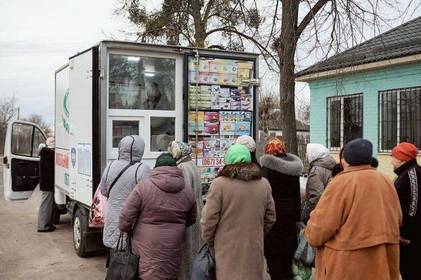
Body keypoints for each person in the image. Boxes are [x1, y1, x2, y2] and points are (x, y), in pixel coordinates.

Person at [305, 138, 402, 280]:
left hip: (348, 264)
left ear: (346, 159)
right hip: (381, 261)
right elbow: (397, 217)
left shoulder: (340, 182)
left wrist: (310, 233)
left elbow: (321, 228)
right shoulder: (385, 180)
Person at [201, 144, 276, 280]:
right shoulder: (264, 184)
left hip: (226, 250)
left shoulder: (219, 184)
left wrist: (213, 243)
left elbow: (208, 221)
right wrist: (257, 233)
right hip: (253, 248)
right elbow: (270, 217)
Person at [119, 153, 197, 279]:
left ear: (156, 168)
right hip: (173, 242)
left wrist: (125, 228)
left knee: (147, 273)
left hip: (146, 243)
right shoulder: (187, 190)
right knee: (169, 272)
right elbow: (192, 218)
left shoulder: (144, 186)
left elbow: (126, 216)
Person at [260, 138, 304, 279]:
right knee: (288, 252)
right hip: (289, 214)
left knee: (273, 254)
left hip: (272, 213)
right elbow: (297, 196)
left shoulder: (266, 169)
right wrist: (298, 219)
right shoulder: (293, 169)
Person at [100, 136, 151, 253]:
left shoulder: (110, 165)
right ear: (141, 150)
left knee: (114, 254)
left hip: (112, 215)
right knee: (129, 257)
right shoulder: (143, 169)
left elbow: (103, 191)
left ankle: (113, 271)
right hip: (132, 219)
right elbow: (147, 196)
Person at [168, 141, 203, 280]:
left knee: (186, 253)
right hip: (197, 213)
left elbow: (183, 195)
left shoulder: (182, 168)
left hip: (188, 217)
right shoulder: (192, 165)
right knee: (195, 251)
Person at [391, 142, 421, 280]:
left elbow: (413, 207)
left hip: (410, 239)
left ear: (402, 158)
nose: (391, 159)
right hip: (408, 237)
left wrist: (406, 235)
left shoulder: (412, 174)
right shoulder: (405, 173)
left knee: (411, 272)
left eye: (393, 156)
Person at [301, 143, 336, 223]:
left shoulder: (316, 171)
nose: (306, 155)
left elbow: (316, 197)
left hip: (320, 216)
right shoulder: (330, 166)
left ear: (314, 154)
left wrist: (308, 215)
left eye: (308, 152)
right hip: (332, 210)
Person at [37, 137, 56, 232]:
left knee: (47, 205)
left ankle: (47, 224)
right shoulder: (49, 154)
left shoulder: (44, 153)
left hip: (45, 183)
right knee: (46, 205)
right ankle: (42, 226)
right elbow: (52, 170)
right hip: (48, 184)